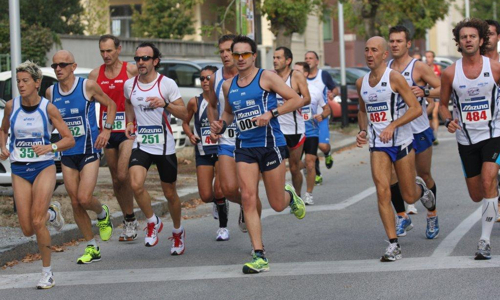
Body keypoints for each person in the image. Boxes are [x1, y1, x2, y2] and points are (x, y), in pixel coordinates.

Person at [211, 35, 306, 274]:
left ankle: (289, 195)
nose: (240, 59)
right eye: (236, 54)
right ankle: (259, 254)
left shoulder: (267, 77)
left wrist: (271, 113)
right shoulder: (228, 85)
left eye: (245, 54)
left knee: (276, 204)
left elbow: (297, 99)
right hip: (244, 147)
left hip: (270, 145)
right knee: (248, 198)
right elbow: (229, 114)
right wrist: (220, 126)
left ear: (254, 55)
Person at [356, 36, 435, 262]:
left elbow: (415, 109)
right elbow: (363, 110)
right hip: (378, 145)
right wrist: (363, 131)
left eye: (374, 50)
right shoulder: (361, 83)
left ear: (384, 54)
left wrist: (393, 125)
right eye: (366, 50)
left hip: (401, 142)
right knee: (383, 191)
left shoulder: (396, 79)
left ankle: (421, 189)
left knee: (409, 195)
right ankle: (393, 244)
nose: (369, 54)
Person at [0, 61, 74, 289]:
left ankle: (47, 273)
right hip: (20, 169)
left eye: (25, 81)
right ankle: (53, 214)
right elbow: (3, 130)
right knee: (26, 228)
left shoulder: (48, 108)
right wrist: (2, 147)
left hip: (43, 167)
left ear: (37, 83)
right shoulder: (12, 107)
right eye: (18, 81)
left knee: (36, 221)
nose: (21, 85)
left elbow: (68, 139)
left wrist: (50, 148)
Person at [46, 50, 116, 264]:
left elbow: (111, 105)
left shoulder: (87, 87)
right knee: (75, 202)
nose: (58, 69)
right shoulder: (51, 92)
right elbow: (49, 120)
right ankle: (91, 246)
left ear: (73, 67)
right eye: (55, 65)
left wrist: (106, 130)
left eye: (63, 65)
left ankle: (102, 213)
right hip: (67, 153)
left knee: (85, 198)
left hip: (88, 150)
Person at [439, 18, 500, 260]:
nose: (468, 40)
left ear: (481, 40)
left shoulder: (494, 68)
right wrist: (447, 120)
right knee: (477, 194)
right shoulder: (450, 73)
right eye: (464, 37)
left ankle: (484, 241)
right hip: (466, 139)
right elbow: (443, 105)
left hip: (494, 133)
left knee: (487, 182)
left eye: (472, 36)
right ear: (459, 42)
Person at [124, 42, 187, 255]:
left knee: (170, 193)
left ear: (155, 61)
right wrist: (130, 123)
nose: (140, 62)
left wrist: (164, 104)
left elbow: (185, 114)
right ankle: (152, 220)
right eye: (137, 59)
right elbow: (128, 103)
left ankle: (178, 232)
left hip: (164, 146)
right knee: (135, 184)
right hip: (141, 143)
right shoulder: (130, 85)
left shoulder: (166, 84)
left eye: (145, 58)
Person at [388, 25, 441, 239]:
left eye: (399, 41)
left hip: (419, 130)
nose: (394, 44)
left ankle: (432, 214)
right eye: (391, 41)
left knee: (424, 174)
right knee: (392, 176)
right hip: (396, 132)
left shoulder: (417, 67)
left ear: (408, 44)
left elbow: (442, 87)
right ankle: (402, 216)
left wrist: (425, 90)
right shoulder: (387, 68)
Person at [88, 34, 139, 242]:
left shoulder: (131, 70)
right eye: (102, 51)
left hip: (127, 129)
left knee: (122, 173)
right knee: (116, 180)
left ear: (119, 49)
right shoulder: (94, 74)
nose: (105, 55)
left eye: (109, 50)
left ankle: (131, 218)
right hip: (106, 132)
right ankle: (129, 219)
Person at [207, 34, 256, 234]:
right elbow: (212, 105)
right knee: (227, 189)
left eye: (229, 50)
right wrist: (214, 124)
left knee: (248, 190)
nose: (226, 55)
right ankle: (244, 204)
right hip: (227, 138)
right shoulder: (215, 78)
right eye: (222, 51)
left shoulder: (251, 75)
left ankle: (256, 240)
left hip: (251, 139)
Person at [182, 65, 229, 241]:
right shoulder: (195, 101)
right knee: (206, 195)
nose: (204, 81)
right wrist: (190, 134)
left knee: (219, 190)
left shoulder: (223, 100)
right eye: (202, 78)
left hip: (221, 149)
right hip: (203, 151)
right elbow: (185, 123)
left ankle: (223, 228)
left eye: (208, 78)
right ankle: (219, 203)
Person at [273, 47, 310, 199]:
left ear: (288, 61)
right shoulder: (270, 76)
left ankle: (298, 196)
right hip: (277, 130)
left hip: (295, 128)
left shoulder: (296, 76)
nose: (275, 60)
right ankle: (282, 196)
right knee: (279, 168)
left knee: (294, 168)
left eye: (278, 58)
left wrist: (291, 105)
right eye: (274, 58)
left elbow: (307, 98)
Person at [294, 62, 331, 205]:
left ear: (306, 74)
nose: (295, 74)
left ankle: (308, 194)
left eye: (298, 71)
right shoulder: (287, 90)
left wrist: (322, 115)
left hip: (311, 132)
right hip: (295, 133)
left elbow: (327, 109)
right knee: (294, 165)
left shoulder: (315, 91)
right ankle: (296, 195)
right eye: (294, 71)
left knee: (310, 163)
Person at [304, 51, 337, 185]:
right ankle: (317, 174)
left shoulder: (323, 75)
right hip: (307, 119)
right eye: (306, 58)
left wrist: (332, 95)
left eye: (311, 58)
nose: (308, 60)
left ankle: (328, 154)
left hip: (321, 116)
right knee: (311, 148)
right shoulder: (301, 78)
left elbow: (335, 89)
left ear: (317, 61)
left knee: (322, 146)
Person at [484, 19, 500, 221]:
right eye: (484, 34)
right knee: (483, 184)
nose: (488, 38)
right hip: (481, 129)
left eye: (492, 34)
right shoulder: (472, 65)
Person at [426, 50, 443, 147]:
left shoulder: (438, 68)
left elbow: (442, 81)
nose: (428, 59)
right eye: (426, 57)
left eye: (429, 57)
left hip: (436, 92)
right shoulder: (423, 68)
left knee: (434, 113)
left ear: (433, 58)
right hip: (427, 93)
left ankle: (435, 135)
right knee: (429, 117)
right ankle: (431, 133)